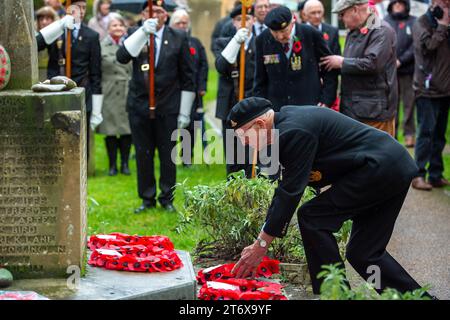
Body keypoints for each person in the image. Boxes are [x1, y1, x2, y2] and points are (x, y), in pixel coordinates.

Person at [228, 97, 435, 298]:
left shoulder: (293, 132)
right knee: (363, 253)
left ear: (260, 124)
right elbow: (284, 190)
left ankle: (335, 294)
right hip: (390, 167)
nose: (244, 144)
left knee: (312, 217)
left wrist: (261, 245)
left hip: (380, 168)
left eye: (243, 136)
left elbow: (290, 193)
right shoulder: (285, 126)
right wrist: (264, 237)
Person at [116, 0, 196, 213]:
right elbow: (122, 57)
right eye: (151, 11)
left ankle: (167, 197)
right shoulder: (135, 32)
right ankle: (147, 197)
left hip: (168, 105)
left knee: (167, 154)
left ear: (166, 15)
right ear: (143, 14)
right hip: (139, 105)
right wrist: (143, 32)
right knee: (143, 153)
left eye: (160, 11)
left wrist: (185, 111)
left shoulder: (178, 36)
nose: (155, 15)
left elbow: (188, 76)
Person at [320, 0, 398, 137]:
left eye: (342, 13)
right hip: (355, 110)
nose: (340, 18)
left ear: (355, 10)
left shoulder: (381, 30)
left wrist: (342, 62)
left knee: (378, 155)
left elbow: (373, 64)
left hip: (374, 112)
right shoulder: (354, 30)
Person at [36, 0, 103, 158]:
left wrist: (97, 109)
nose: (80, 11)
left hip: (82, 92)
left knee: (80, 142)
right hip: (55, 93)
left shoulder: (91, 36)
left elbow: (96, 73)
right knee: (55, 138)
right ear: (67, 8)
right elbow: (36, 44)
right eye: (76, 7)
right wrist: (59, 25)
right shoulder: (57, 31)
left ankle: (80, 179)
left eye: (83, 8)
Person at [253, 6, 338, 111]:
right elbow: (260, 79)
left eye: (284, 31)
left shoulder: (310, 34)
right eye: (275, 32)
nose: (280, 36)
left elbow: (329, 69)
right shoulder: (262, 39)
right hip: (277, 108)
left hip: (309, 106)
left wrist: (326, 100)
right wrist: (262, 107)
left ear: (293, 22)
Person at [411, 0, 450, 191]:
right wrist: (442, 26)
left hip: (445, 89)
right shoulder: (421, 23)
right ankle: (418, 175)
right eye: (444, 2)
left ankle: (436, 174)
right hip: (426, 89)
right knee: (426, 133)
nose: (447, 6)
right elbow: (427, 47)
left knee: (439, 135)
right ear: (434, 3)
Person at [215, 5, 256, 178]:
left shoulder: (261, 42)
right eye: (239, 19)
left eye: (247, 19)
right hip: (231, 105)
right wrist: (236, 42)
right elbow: (221, 66)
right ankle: (233, 195)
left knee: (253, 156)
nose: (244, 23)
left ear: (254, 20)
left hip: (254, 106)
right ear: (233, 23)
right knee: (233, 157)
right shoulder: (223, 43)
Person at [170, 9, 209, 166]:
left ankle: (187, 156)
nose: (181, 25)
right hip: (172, 92)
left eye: (184, 23)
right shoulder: (168, 42)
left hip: (192, 91)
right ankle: (169, 156)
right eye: (178, 22)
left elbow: (203, 66)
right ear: (172, 24)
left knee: (191, 125)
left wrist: (201, 86)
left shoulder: (195, 43)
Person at [97, 13, 133, 176]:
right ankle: (112, 165)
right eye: (114, 25)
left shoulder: (131, 44)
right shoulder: (100, 46)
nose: (118, 28)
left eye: (120, 25)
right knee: (110, 130)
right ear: (107, 28)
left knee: (127, 129)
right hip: (109, 92)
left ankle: (125, 164)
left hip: (128, 90)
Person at [385, 0, 417, 147]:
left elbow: (415, 46)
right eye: (395, 2)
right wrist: (391, 61)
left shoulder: (413, 22)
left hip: (408, 71)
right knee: (392, 104)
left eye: (401, 2)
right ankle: (392, 134)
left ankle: (409, 134)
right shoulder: (385, 21)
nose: (397, 5)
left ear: (406, 5)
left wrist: (401, 61)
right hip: (389, 72)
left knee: (409, 104)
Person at [35, 6, 59, 81]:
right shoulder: (34, 37)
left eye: (47, 19)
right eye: (41, 19)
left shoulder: (58, 40)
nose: (44, 22)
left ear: (54, 21)